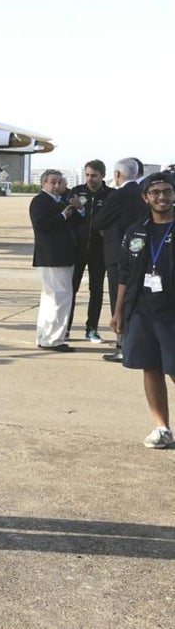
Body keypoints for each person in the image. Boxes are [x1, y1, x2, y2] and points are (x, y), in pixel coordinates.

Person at [109, 171, 175, 448]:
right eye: (155, 192)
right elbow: (125, 272)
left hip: (171, 313)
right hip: (142, 310)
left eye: (167, 191)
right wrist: (118, 311)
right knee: (151, 367)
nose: (162, 197)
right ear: (145, 197)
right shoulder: (136, 230)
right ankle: (161, 428)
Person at [93, 158, 148, 361]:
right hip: (141, 253)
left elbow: (98, 221)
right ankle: (133, 344)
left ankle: (123, 345)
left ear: (117, 175)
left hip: (117, 254)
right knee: (134, 300)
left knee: (119, 300)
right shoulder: (143, 193)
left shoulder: (118, 195)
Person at [30, 169, 80, 352]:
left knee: (51, 298)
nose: (57, 185)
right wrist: (63, 216)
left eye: (60, 182)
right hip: (53, 257)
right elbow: (41, 224)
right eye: (52, 182)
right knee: (60, 297)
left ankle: (45, 337)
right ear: (43, 183)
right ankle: (53, 339)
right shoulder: (40, 201)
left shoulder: (59, 201)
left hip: (58, 256)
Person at [66, 160, 112, 342]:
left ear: (102, 175)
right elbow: (66, 217)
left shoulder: (110, 195)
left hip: (99, 250)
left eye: (94, 175)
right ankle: (65, 328)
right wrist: (76, 208)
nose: (90, 179)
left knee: (97, 290)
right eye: (87, 175)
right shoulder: (77, 192)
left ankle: (91, 329)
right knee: (71, 289)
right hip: (77, 249)